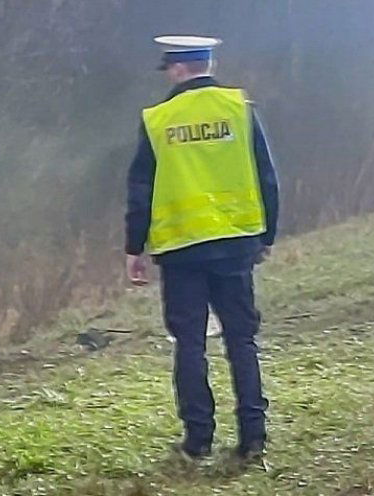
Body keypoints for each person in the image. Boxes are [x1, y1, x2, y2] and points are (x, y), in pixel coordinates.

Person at [123, 35, 280, 463]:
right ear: (209, 62)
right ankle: (253, 436)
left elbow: (141, 189)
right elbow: (267, 174)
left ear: (176, 68)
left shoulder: (158, 119)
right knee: (242, 339)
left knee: (189, 342)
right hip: (234, 244)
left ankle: (198, 439)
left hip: (182, 250)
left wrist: (134, 247)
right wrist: (266, 235)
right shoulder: (238, 108)